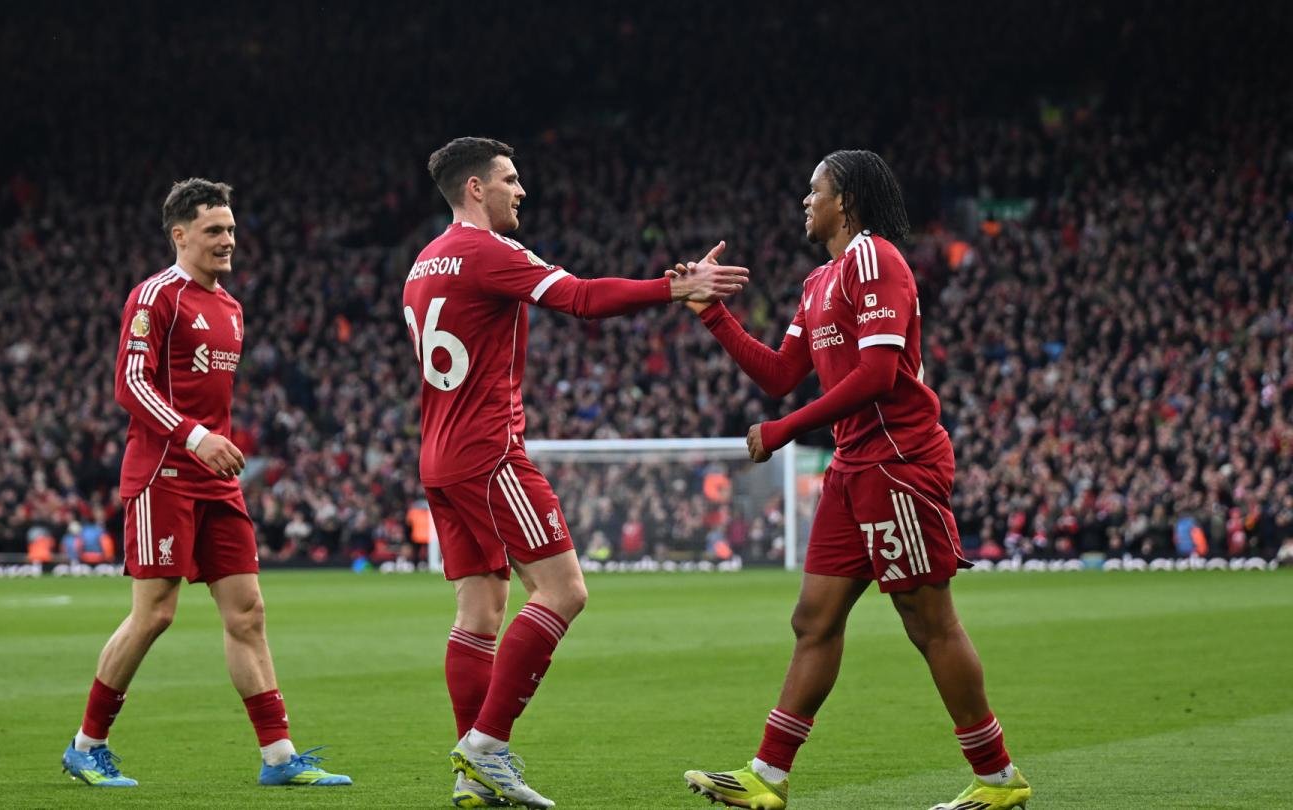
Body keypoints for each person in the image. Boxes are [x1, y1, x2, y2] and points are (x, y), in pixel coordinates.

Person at [677, 151, 1033, 810]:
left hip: (898, 462)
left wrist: (785, 431)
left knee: (929, 623)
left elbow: (878, 376)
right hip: (852, 466)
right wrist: (709, 312)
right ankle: (769, 776)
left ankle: (998, 777)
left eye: (813, 190)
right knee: (814, 619)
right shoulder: (820, 281)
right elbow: (782, 372)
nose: (804, 201)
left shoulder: (876, 260)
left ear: (845, 199)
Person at [406, 137, 747, 808]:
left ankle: (469, 778)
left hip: (438, 457)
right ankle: (485, 746)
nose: (520, 190)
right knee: (564, 591)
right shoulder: (490, 252)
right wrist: (676, 286)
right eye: (510, 179)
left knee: (480, 613)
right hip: (489, 454)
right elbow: (583, 298)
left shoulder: (422, 263)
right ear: (475, 189)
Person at [60, 179, 349, 789]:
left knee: (247, 612)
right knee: (155, 614)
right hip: (163, 473)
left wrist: (210, 443)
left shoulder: (232, 309)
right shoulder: (155, 296)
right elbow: (130, 386)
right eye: (215, 230)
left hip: (216, 481)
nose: (228, 240)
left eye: (232, 230)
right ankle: (87, 744)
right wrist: (195, 437)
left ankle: (278, 758)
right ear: (180, 235)